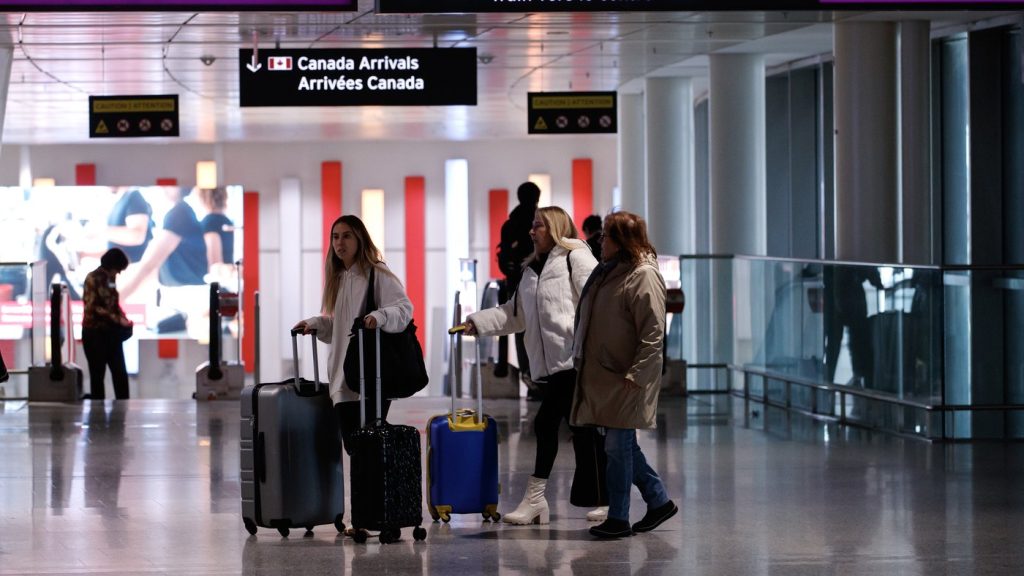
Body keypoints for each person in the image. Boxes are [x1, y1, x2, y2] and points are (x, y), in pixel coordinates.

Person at [454, 206, 608, 525]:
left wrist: (590, 349)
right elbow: (515, 314)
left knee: (547, 423)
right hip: (550, 366)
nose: (531, 231)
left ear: (555, 228)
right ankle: (608, 497)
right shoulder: (529, 272)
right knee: (582, 429)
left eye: (538, 225)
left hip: (573, 360)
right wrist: (476, 323)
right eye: (533, 226)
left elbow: (597, 301)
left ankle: (536, 500)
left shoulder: (574, 258)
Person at [571, 211, 677, 538]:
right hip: (608, 375)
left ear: (621, 241)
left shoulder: (642, 275)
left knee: (617, 449)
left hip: (626, 378)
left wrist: (637, 375)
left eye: (606, 236)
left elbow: (653, 332)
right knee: (623, 447)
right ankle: (658, 501)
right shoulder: (611, 272)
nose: (600, 241)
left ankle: (619, 516)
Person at [293, 215, 413, 453]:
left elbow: (403, 309)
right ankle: (368, 491)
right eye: (335, 237)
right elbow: (342, 328)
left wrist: (378, 317)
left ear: (359, 239)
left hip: (369, 376)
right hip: (342, 377)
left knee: (366, 449)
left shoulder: (376, 272)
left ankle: (373, 491)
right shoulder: (339, 278)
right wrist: (316, 323)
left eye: (347, 236)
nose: (340, 243)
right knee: (355, 448)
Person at [495, 181, 541, 392]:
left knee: (521, 330)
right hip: (542, 284)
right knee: (542, 330)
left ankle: (529, 376)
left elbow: (504, 258)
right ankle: (542, 378)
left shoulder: (510, 224)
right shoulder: (541, 224)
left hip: (516, 285)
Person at [82, 248, 133, 400]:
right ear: (112, 266)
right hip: (95, 334)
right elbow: (92, 307)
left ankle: (123, 406)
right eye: (118, 270)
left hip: (111, 334)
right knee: (97, 375)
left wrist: (123, 318)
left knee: (120, 373)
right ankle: (98, 414)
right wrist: (117, 319)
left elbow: (113, 304)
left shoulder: (110, 279)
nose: (118, 274)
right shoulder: (93, 278)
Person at [198, 187, 235, 269]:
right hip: (228, 275)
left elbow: (215, 265)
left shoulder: (209, 223)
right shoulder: (227, 222)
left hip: (219, 277)